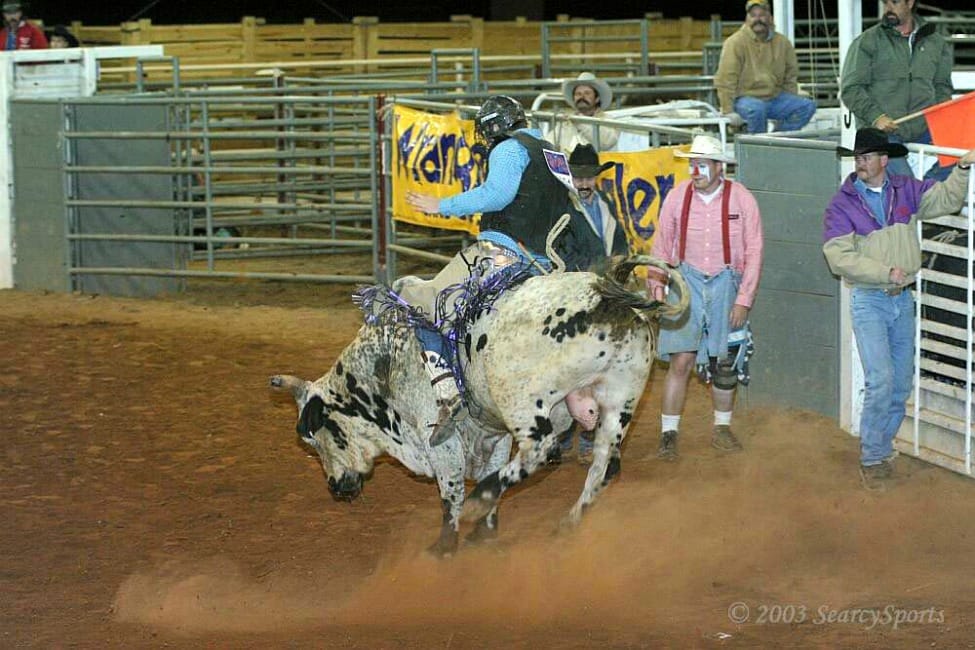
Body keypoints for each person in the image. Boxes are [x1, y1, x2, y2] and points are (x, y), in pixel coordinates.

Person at [401, 95, 575, 443]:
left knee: (417, 300)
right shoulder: (553, 152)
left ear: (495, 126)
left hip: (503, 252)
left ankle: (448, 392)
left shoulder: (509, 149)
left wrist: (442, 205)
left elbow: (496, 195)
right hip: (545, 261)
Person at [822, 127, 975, 490]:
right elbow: (837, 257)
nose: (860, 162)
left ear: (882, 160)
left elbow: (946, 202)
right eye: (857, 157)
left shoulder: (905, 188)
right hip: (871, 298)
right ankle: (873, 456)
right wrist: (883, 272)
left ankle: (880, 446)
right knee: (882, 380)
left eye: (866, 156)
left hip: (900, 298)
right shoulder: (842, 204)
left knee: (899, 381)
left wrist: (963, 170)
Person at [646, 134, 764, 461]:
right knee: (680, 359)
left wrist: (744, 298)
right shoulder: (676, 197)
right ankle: (668, 433)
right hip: (685, 280)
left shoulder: (742, 199)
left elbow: (754, 250)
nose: (694, 171)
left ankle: (721, 428)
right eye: (691, 164)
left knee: (724, 361)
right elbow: (662, 243)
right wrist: (656, 281)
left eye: (700, 164)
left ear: (718, 167)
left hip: (727, 280)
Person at [556, 143, 630, 464]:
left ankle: (588, 436)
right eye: (578, 177)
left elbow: (621, 244)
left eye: (589, 178)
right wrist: (599, 267)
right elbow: (561, 251)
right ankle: (560, 435)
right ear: (571, 177)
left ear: (597, 178)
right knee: (568, 368)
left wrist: (620, 264)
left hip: (603, 296)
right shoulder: (563, 209)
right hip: (574, 295)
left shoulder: (607, 207)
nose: (584, 183)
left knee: (597, 368)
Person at [839, 0, 953, 178]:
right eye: (885, 3)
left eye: (894, 2)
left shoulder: (936, 43)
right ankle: (920, 195)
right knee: (904, 181)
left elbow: (942, 87)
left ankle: (923, 193)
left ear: (910, 3)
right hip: (880, 133)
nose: (888, 9)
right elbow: (850, 89)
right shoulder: (867, 41)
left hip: (924, 127)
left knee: (961, 151)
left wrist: (941, 119)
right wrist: (876, 117)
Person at [714, 0, 816, 134]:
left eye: (762, 15)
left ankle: (778, 140)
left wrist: (791, 97)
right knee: (756, 109)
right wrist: (728, 110)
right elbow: (726, 78)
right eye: (753, 15)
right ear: (747, 19)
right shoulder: (735, 42)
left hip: (774, 98)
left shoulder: (783, 43)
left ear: (770, 17)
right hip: (744, 98)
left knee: (807, 106)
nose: (757, 19)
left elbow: (790, 76)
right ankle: (757, 147)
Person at [550, 72, 620, 154]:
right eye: (578, 94)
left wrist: (580, 122)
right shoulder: (566, 122)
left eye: (587, 93)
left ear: (597, 98)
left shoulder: (608, 120)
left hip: (600, 166)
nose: (582, 97)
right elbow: (550, 142)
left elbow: (606, 142)